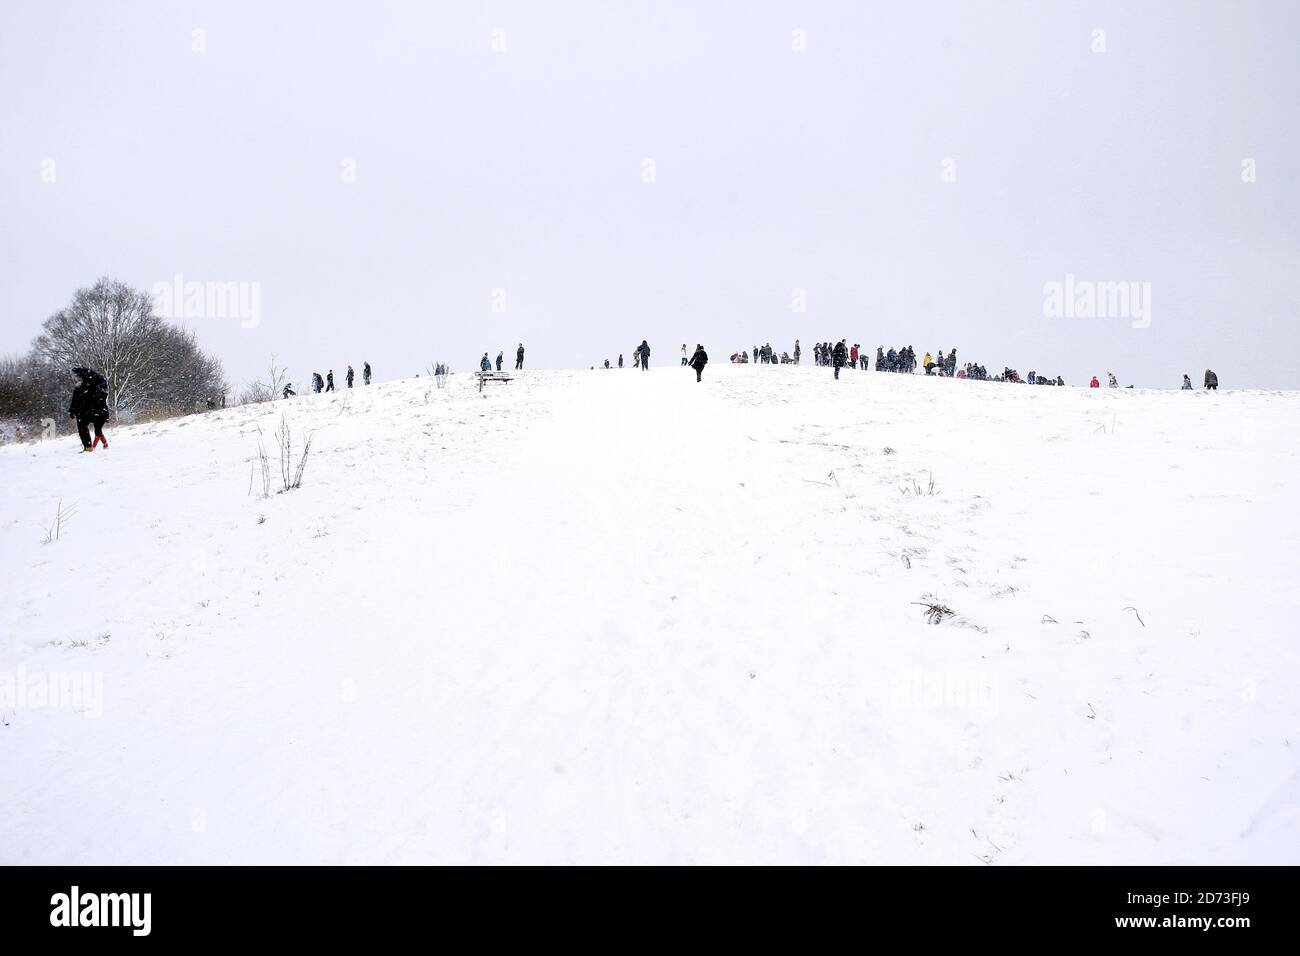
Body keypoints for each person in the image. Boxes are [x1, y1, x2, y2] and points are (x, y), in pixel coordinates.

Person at [69, 367, 109, 452]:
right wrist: (72, 410)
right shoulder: (78, 389)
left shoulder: (93, 385)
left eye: (78, 379)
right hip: (82, 411)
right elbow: (75, 400)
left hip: (93, 411)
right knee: (82, 428)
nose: (76, 382)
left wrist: (96, 401)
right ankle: (88, 447)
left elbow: (101, 397)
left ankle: (97, 446)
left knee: (96, 430)